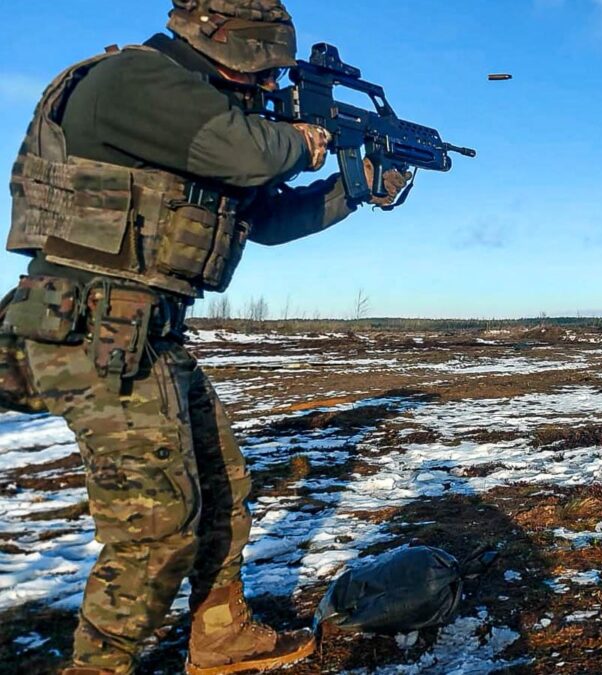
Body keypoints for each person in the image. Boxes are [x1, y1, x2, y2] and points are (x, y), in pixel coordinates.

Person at [0, 1, 409, 673]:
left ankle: (221, 633)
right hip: (86, 325)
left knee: (222, 484)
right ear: (225, 40)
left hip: (147, 332)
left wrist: (355, 189)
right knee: (157, 527)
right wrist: (308, 138)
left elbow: (271, 219)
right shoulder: (140, 80)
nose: (268, 86)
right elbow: (251, 154)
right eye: (264, 70)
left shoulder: (205, 118)